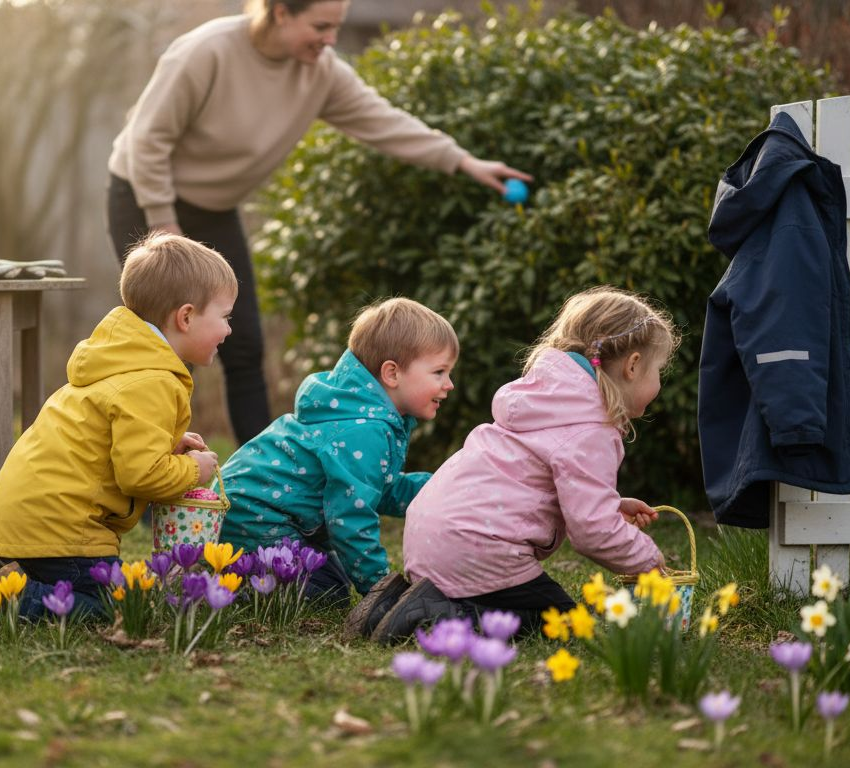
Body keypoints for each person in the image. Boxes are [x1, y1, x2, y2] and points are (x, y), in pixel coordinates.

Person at [106, 0, 530, 444]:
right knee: (166, 345)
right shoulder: (204, 52)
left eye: (337, 27)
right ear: (281, 12)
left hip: (213, 209)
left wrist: (464, 162)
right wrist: (164, 227)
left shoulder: (320, 73)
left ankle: (260, 483)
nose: (331, 39)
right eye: (321, 26)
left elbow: (384, 122)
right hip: (143, 196)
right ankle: (146, 464)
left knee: (244, 344)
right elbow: (147, 141)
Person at [0, 233, 236, 622]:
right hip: (66, 530)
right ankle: (4, 598)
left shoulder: (121, 360)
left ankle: (1, 576)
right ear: (185, 317)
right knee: (114, 605)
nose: (229, 330)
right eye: (225, 317)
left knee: (110, 591)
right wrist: (195, 470)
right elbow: (141, 475)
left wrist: (168, 444)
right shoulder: (153, 381)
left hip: (29, 517)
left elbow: (108, 441)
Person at [359, 287, 677, 643]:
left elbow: (532, 486)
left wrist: (611, 505)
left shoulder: (543, 401)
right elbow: (593, 531)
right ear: (633, 365)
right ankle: (435, 615)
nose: (659, 382)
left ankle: (390, 606)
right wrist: (649, 562)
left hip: (433, 538)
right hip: (478, 549)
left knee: (542, 613)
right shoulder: (590, 429)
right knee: (559, 624)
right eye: (658, 370)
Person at [218, 297, 458, 610]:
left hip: (254, 510)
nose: (449, 384)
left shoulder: (368, 417)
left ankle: (233, 577)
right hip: (254, 514)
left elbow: (378, 489)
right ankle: (232, 586)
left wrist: (442, 489)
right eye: (439, 372)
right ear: (392, 374)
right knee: (327, 595)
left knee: (332, 583)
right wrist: (380, 589)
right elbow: (349, 517)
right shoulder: (364, 430)